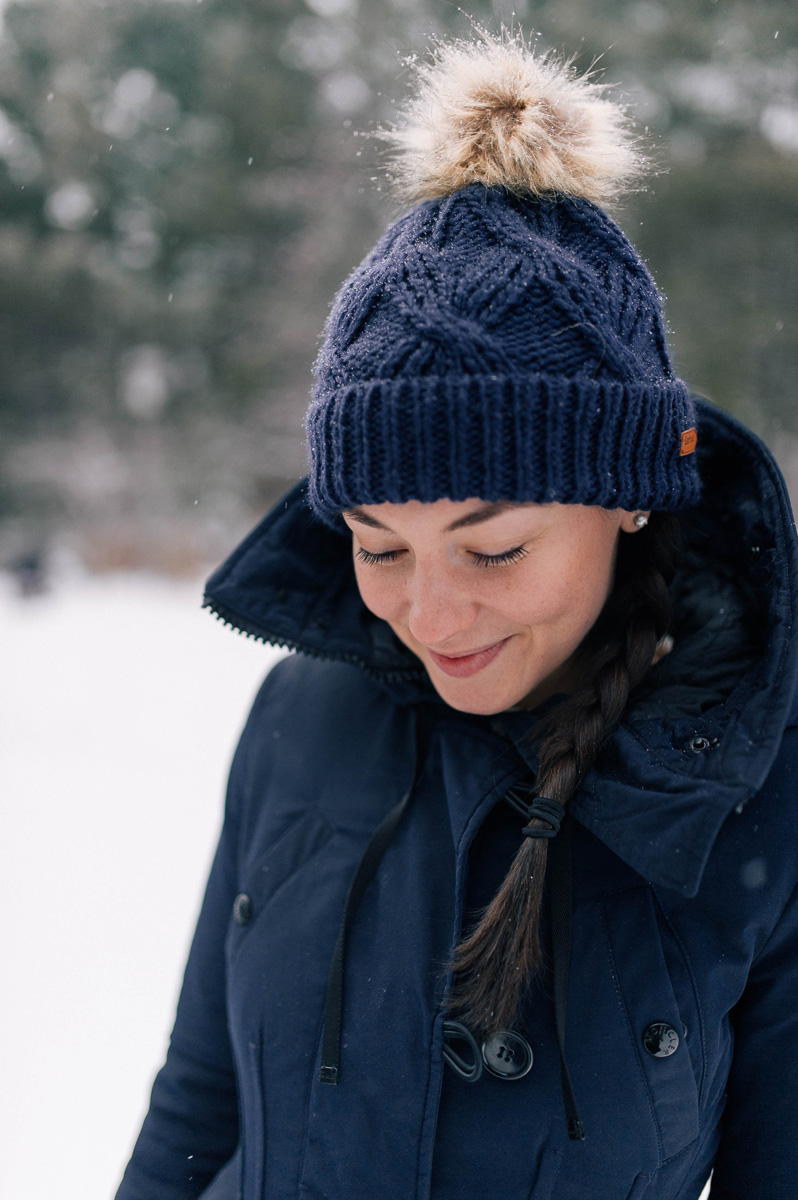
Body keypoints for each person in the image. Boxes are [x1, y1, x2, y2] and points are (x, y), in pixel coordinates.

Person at [115, 30, 798, 1200]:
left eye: (493, 548)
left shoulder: (768, 779)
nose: (432, 614)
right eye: (378, 547)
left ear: (628, 503)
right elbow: (199, 1100)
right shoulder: (298, 712)